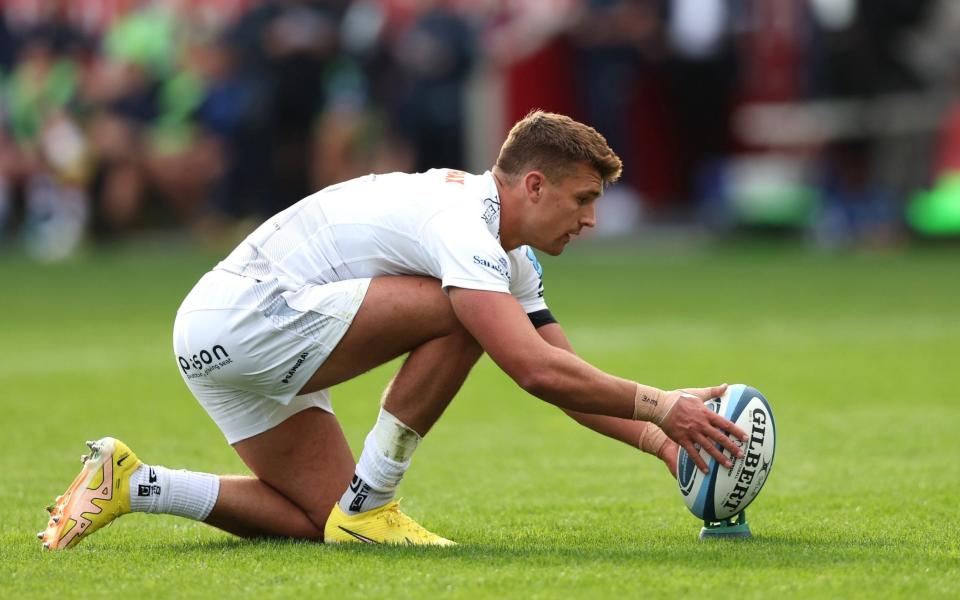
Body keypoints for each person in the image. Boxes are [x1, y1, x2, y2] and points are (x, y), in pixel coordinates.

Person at [40, 111, 747, 549]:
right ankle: (375, 504)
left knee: (317, 519)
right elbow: (529, 368)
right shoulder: (464, 228)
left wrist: (662, 438)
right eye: (583, 199)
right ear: (533, 186)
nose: (590, 220)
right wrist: (661, 403)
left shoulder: (506, 252)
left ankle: (134, 483)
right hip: (248, 316)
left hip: (220, 330)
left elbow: (562, 375)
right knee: (468, 310)